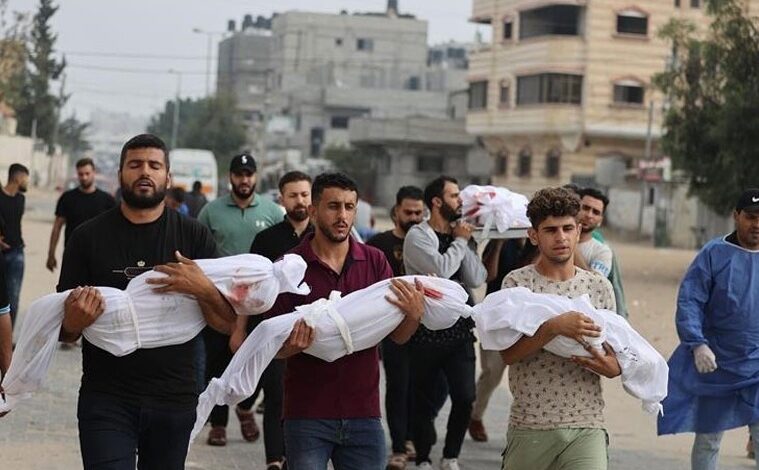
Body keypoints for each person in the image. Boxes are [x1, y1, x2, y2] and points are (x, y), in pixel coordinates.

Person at [57, 133, 236, 470]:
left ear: (168, 177)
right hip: (106, 397)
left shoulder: (194, 236)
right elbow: (64, 332)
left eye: (154, 165)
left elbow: (227, 323)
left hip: (175, 399)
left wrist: (204, 288)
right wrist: (73, 323)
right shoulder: (87, 237)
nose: (144, 172)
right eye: (135, 164)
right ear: (120, 174)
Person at [265, 172, 426, 470]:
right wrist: (293, 346)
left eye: (349, 207)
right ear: (313, 210)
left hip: (364, 414)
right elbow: (273, 346)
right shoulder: (289, 268)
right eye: (333, 206)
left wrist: (414, 316)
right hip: (307, 415)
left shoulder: (375, 262)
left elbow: (397, 336)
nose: (342, 216)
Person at [498, 186, 619, 470]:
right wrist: (552, 328)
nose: (561, 237)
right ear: (534, 236)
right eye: (551, 230)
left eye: (567, 228)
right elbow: (509, 355)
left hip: (586, 424)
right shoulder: (517, 284)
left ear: (579, 231)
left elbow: (616, 358)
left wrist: (612, 368)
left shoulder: (598, 287)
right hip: (531, 425)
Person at [658, 188, 759, 470]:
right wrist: (697, 344)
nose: (757, 224)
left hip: (757, 362)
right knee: (709, 439)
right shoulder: (715, 254)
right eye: (751, 217)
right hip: (718, 363)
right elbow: (690, 299)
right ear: (736, 216)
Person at [198, 153, 283, 446]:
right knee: (217, 362)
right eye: (239, 174)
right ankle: (218, 424)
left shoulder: (273, 212)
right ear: (230, 178)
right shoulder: (211, 211)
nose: (244, 179)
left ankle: (245, 408)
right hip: (220, 302)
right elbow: (200, 251)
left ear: (255, 177)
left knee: (259, 361)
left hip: (260, 303)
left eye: (249, 174)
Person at [229, 171, 313, 469]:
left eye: (304, 194)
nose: (299, 200)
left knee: (307, 398)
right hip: (272, 330)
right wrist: (239, 330)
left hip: (314, 328)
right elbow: (248, 289)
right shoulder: (266, 239)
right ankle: (275, 459)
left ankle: (296, 456)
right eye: (293, 195)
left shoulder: (324, 237)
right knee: (276, 395)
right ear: (282, 199)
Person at [403, 176, 487, 470]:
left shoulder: (459, 234)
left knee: (465, 397)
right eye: (454, 196)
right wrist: (460, 241)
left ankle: (450, 456)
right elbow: (440, 270)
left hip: (459, 331)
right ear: (437, 202)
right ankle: (423, 457)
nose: (460, 201)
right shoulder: (417, 236)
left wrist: (465, 241)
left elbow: (477, 278)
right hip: (426, 332)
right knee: (423, 400)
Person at [367, 186, 425, 469]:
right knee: (398, 386)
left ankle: (413, 435)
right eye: (408, 212)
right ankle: (399, 445)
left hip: (424, 328)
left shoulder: (428, 243)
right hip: (391, 327)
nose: (413, 217)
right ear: (396, 211)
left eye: (418, 213)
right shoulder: (379, 243)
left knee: (423, 386)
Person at [468, 236, 524, 443]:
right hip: (497, 317)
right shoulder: (500, 240)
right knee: (492, 372)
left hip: (525, 319)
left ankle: (523, 427)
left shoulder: (539, 243)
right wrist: (499, 244)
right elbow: (488, 276)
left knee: (525, 376)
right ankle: (475, 415)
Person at [46, 158, 116, 272]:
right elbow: (57, 227)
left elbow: (115, 230)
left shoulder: (107, 200)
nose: (84, 177)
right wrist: (51, 254)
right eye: (81, 174)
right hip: (72, 254)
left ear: (94, 173)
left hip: (100, 257)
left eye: (87, 173)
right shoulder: (67, 198)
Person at [576, 187, 628, 318]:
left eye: (595, 212)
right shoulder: (554, 240)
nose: (589, 215)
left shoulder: (602, 251)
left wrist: (572, 248)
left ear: (600, 220)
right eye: (585, 208)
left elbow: (595, 285)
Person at [0, 163, 28, 329]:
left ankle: (6, 337)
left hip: (16, 252)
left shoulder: (21, 199)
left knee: (13, 298)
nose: (27, 182)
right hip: (1, 253)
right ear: (18, 177)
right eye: (25, 178)